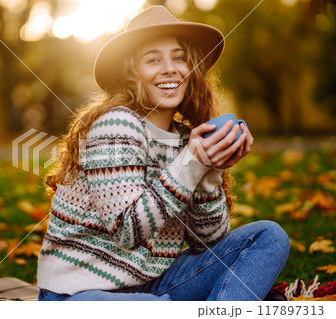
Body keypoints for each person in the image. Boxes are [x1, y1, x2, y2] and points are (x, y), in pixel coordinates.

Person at [36, 5, 290, 301]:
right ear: (131, 73)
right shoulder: (115, 125)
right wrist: (193, 163)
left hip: (155, 283)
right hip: (77, 293)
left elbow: (206, 243)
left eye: (179, 57)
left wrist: (211, 171)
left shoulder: (187, 140)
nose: (170, 68)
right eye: (153, 59)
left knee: (270, 237)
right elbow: (127, 230)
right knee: (155, 308)